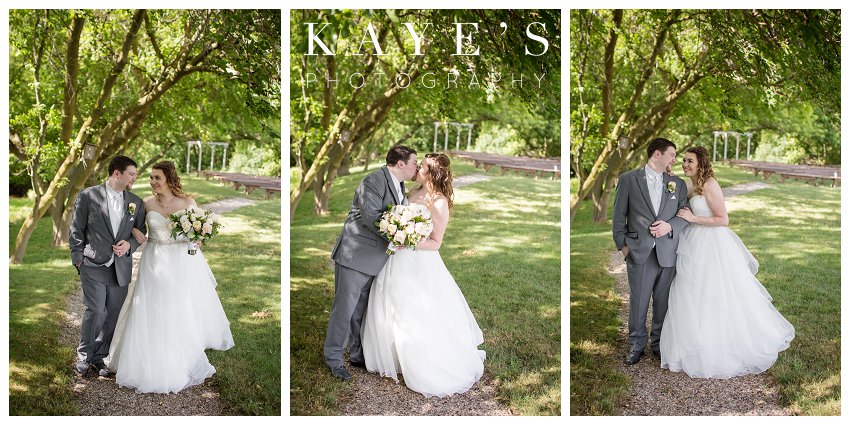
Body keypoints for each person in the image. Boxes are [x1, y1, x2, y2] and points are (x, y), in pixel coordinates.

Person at [660, 146, 795, 378]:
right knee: (690, 291)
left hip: (711, 244)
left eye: (690, 161)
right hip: (691, 243)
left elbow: (723, 220)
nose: (685, 164)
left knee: (715, 292)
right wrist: (669, 175)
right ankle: (694, 343)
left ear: (701, 163)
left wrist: (693, 218)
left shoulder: (710, 184)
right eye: (683, 160)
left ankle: (721, 343)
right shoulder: (690, 184)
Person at [362, 153, 485, 397]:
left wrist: (406, 242)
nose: (417, 167)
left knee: (416, 309)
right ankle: (394, 355)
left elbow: (436, 242)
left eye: (422, 166)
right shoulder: (411, 192)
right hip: (397, 258)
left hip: (420, 262)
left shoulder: (439, 202)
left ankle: (421, 362)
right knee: (391, 304)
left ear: (432, 174)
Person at [105, 160, 234, 393]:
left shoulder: (187, 202)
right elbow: (133, 227)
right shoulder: (145, 203)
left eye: (157, 178)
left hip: (182, 260)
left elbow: (200, 233)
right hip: (154, 259)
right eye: (151, 178)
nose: (153, 182)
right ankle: (147, 352)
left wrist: (199, 238)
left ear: (169, 179)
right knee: (151, 304)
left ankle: (179, 352)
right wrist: (134, 230)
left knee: (178, 305)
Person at [324, 145, 419, 381]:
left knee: (360, 312)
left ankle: (357, 354)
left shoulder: (400, 185)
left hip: (376, 258)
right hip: (355, 255)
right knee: (344, 310)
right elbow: (372, 218)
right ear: (400, 164)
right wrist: (401, 236)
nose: (416, 167)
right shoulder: (373, 181)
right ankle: (334, 359)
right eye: (414, 163)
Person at [612, 138, 690, 365]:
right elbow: (618, 218)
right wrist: (624, 247)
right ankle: (637, 344)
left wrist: (669, 226)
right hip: (639, 251)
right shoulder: (628, 180)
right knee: (638, 301)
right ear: (657, 154)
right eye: (672, 155)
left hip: (668, 251)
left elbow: (683, 214)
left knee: (663, 301)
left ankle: (658, 344)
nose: (675, 160)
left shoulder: (677, 184)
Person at [70, 156, 146, 377]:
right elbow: (76, 230)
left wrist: (129, 245)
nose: (134, 177)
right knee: (96, 310)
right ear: (117, 174)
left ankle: (99, 358)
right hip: (92, 263)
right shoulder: (88, 195)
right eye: (131, 174)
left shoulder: (135, 202)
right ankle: (84, 356)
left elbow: (141, 232)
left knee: (112, 313)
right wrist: (78, 259)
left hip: (120, 266)